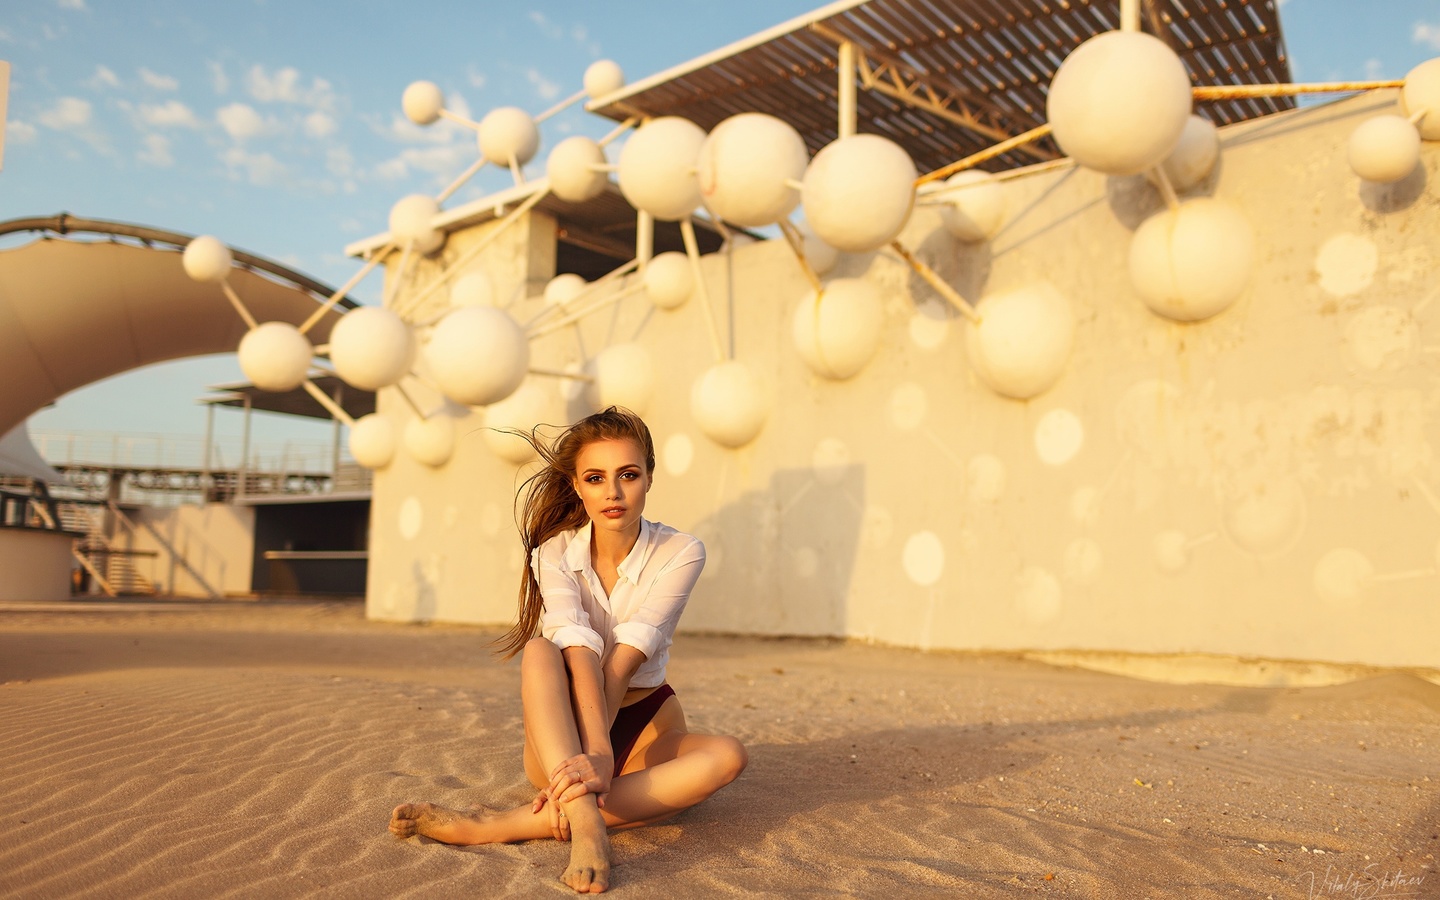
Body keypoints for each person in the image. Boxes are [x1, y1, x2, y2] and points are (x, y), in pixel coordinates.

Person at [389, 407, 748, 894]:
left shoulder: (682, 551)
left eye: (628, 475)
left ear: (649, 477)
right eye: (596, 478)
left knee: (728, 757)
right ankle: (588, 827)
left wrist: (605, 755)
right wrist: (593, 747)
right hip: (564, 736)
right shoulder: (553, 553)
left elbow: (627, 654)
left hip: (646, 723)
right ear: (577, 486)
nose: (613, 492)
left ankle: (506, 824)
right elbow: (577, 645)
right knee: (541, 650)